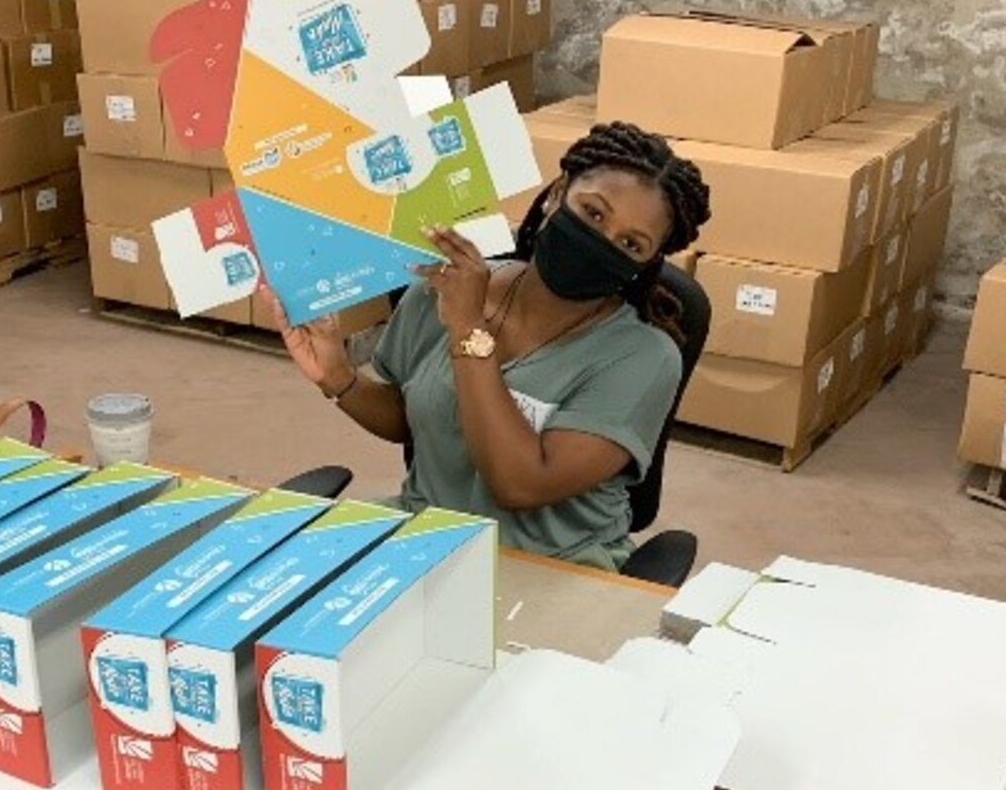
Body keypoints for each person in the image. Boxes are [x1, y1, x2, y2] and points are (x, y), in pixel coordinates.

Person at [269, 121, 711, 570]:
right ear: (558, 193)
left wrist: (467, 330)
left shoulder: (643, 358)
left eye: (631, 243)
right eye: (593, 213)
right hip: (424, 535)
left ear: (646, 262)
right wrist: (338, 377)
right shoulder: (450, 284)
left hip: (549, 567)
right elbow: (409, 418)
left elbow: (520, 485)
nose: (601, 242)